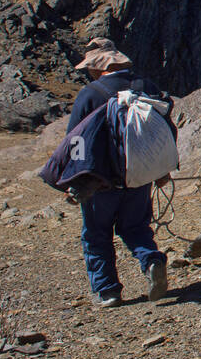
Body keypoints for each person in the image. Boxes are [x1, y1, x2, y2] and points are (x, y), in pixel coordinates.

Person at [67, 37, 169, 307]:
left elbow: (75, 141)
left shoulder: (90, 94)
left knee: (96, 234)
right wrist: (161, 169)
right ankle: (152, 262)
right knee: (135, 227)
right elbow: (166, 128)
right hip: (139, 176)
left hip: (101, 182)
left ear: (98, 67)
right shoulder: (145, 86)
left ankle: (108, 291)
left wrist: (77, 179)